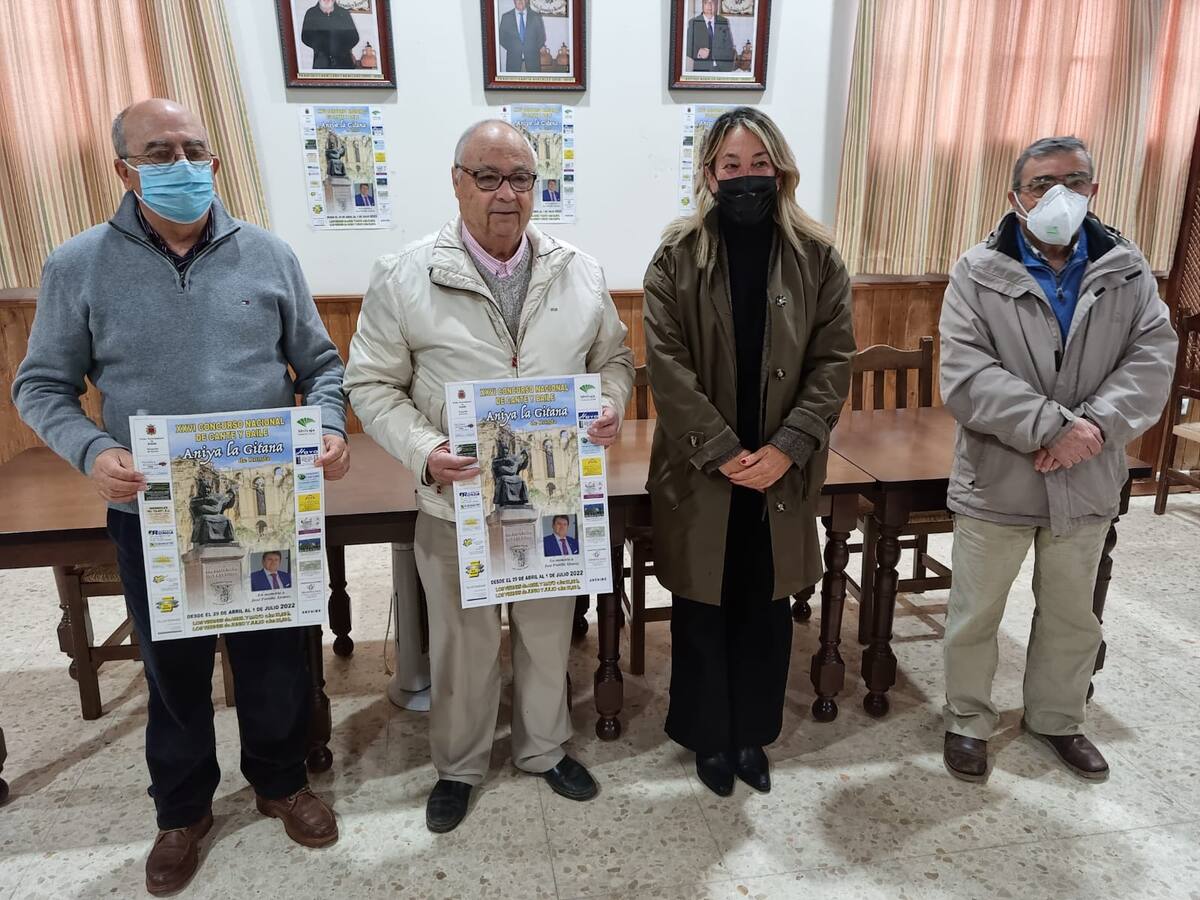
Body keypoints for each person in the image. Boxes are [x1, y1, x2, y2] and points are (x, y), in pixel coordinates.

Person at [12, 98, 351, 896]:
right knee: (175, 672)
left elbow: (321, 366)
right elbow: (41, 387)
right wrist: (93, 450)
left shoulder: (268, 256)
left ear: (216, 162)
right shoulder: (78, 264)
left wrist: (327, 424)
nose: (181, 164)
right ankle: (182, 810)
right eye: (159, 151)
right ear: (124, 169)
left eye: (195, 148)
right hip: (154, 513)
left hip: (265, 501)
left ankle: (278, 781)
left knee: (274, 661)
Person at [345, 119, 633, 833]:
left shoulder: (581, 270)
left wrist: (611, 403)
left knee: (544, 632)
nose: (507, 194)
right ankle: (460, 765)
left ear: (538, 187)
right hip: (457, 500)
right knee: (463, 644)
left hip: (550, 499)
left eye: (522, 179)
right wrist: (424, 450)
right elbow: (371, 385)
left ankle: (542, 748)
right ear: (457, 182)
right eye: (489, 177)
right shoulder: (405, 275)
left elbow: (615, 362)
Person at [939, 136, 1177, 784]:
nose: (1058, 196)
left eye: (1074, 181)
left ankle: (1056, 719)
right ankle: (966, 720)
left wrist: (1094, 429)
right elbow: (964, 374)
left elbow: (1153, 361)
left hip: (1089, 476)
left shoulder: (1127, 270)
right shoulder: (977, 270)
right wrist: (1050, 428)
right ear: (1015, 197)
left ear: (1094, 190)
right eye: (1042, 183)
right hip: (999, 477)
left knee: (1074, 614)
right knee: (975, 614)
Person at [642, 107, 854, 797]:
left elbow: (833, 362)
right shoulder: (676, 255)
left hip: (782, 472)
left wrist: (786, 448)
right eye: (731, 167)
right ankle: (708, 736)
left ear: (781, 170)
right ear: (709, 175)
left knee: (765, 606)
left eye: (758, 165)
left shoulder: (818, 257)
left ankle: (751, 735)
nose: (745, 178)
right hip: (704, 469)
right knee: (704, 603)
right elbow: (666, 366)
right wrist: (728, 452)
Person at [300, 0, 359, 70]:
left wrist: (339, 50)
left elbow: (354, 37)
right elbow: (305, 37)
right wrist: (323, 49)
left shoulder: (344, 13)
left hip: (344, 63)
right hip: (321, 63)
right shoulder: (311, 13)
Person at [685, 0, 736, 73]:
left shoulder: (723, 21)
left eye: (712, 2)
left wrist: (728, 68)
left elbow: (730, 46)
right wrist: (698, 52)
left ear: (716, 5)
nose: (709, 5)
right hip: (701, 70)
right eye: (706, 2)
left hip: (722, 70)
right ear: (702, 4)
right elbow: (686, 46)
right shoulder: (693, 22)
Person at [498, 0, 546, 73]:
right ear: (514, 1)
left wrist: (531, 49)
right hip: (513, 63)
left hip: (533, 64)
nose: (520, 1)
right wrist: (513, 48)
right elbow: (501, 38)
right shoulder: (506, 17)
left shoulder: (536, 16)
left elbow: (541, 37)